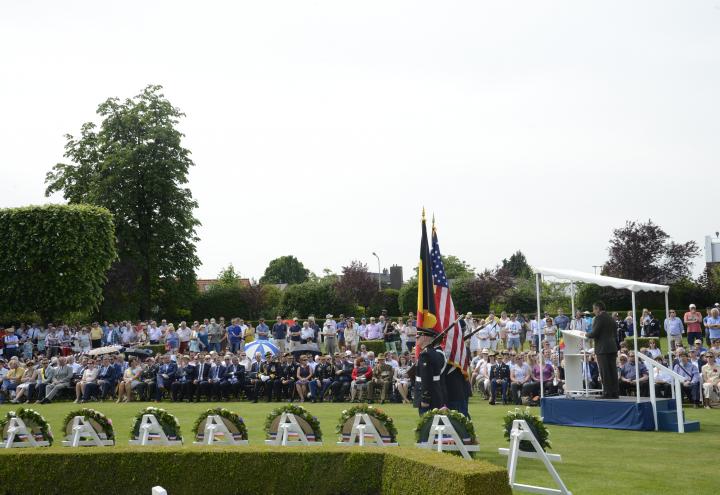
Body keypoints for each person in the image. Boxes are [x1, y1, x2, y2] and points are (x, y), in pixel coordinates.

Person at [587, 301, 619, 399]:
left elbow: (594, 333)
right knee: (613, 370)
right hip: (612, 347)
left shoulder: (599, 318)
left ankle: (607, 393)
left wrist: (586, 334)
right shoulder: (611, 318)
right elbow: (614, 333)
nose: (593, 311)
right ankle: (615, 393)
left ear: (598, 308)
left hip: (603, 349)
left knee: (605, 372)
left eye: (594, 309)